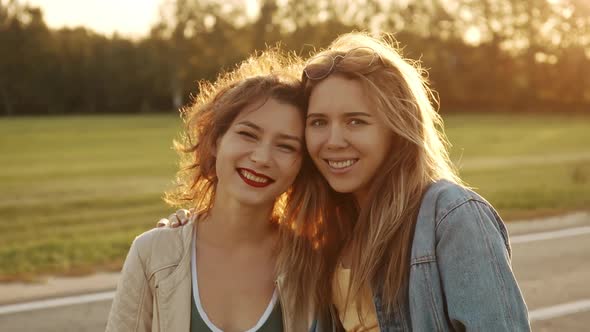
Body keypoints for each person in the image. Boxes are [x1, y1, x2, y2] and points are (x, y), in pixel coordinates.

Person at [162, 32, 531, 331]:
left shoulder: (451, 217)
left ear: (397, 130)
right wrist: (190, 229)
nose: (333, 140)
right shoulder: (327, 233)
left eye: (356, 121)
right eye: (319, 122)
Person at [106, 49, 319, 332]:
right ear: (217, 141)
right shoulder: (152, 254)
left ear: (301, 165)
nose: (262, 157)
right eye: (248, 134)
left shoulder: (315, 263)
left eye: (286, 146)